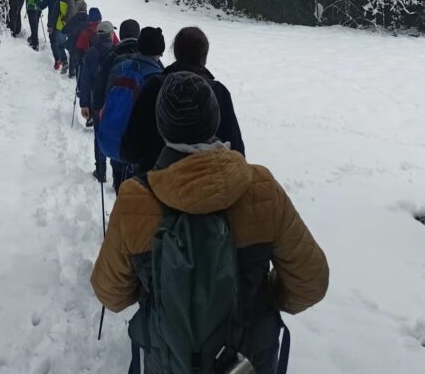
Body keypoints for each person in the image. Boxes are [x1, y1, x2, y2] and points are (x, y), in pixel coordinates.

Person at [91, 72, 329, 374]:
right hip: (249, 359)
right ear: (215, 120)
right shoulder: (262, 188)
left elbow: (110, 293)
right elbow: (311, 281)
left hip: (168, 359)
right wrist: (261, 301)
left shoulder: (136, 200)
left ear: (162, 127)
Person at [122, 25, 244, 173]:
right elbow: (238, 154)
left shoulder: (154, 86)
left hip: (155, 186)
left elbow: (130, 149)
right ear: (204, 56)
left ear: (175, 51)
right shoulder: (219, 92)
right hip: (210, 188)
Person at [95, 27, 165, 188]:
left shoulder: (121, 65)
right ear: (159, 51)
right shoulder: (157, 76)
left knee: (120, 184)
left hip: (116, 139)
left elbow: (107, 95)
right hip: (139, 152)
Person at [80, 22, 121, 185]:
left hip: (96, 102)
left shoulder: (91, 53)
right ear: (111, 34)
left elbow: (85, 80)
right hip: (114, 102)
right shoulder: (118, 52)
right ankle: (117, 173)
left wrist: (84, 104)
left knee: (99, 137)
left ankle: (101, 171)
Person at [92, 19, 140, 116]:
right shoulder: (146, 56)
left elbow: (101, 82)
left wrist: (97, 107)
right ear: (138, 34)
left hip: (114, 111)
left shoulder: (112, 55)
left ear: (121, 35)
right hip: (140, 113)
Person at [54, 0, 82, 74]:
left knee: (60, 45)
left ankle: (64, 62)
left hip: (62, 26)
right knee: (73, 48)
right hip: (75, 28)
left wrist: (50, 24)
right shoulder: (80, 0)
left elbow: (55, 13)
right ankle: (72, 70)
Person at [39, 0, 67, 69]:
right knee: (62, 42)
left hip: (53, 21)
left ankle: (57, 59)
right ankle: (64, 60)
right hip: (64, 22)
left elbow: (42, 6)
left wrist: (36, 2)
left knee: (53, 41)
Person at [61, 0, 89, 79]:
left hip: (73, 43)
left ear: (78, 8)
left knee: (72, 56)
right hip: (85, 44)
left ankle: (72, 72)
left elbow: (64, 30)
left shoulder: (74, 18)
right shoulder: (88, 18)